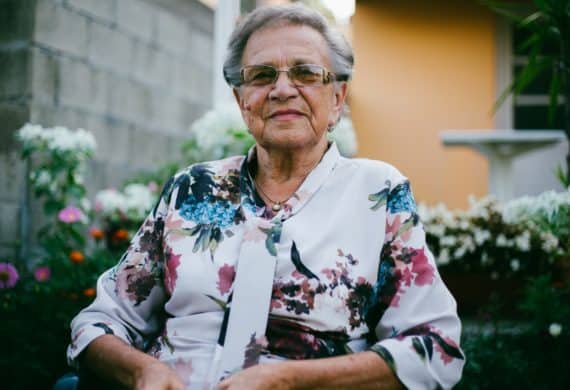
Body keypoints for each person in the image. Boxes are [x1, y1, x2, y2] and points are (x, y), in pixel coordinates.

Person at [67, 4, 464, 389]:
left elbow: (434, 347)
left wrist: (291, 381)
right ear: (242, 102)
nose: (282, 89)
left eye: (306, 73)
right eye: (261, 75)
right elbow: (100, 321)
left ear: (338, 99)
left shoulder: (377, 193)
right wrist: (142, 372)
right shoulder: (193, 188)